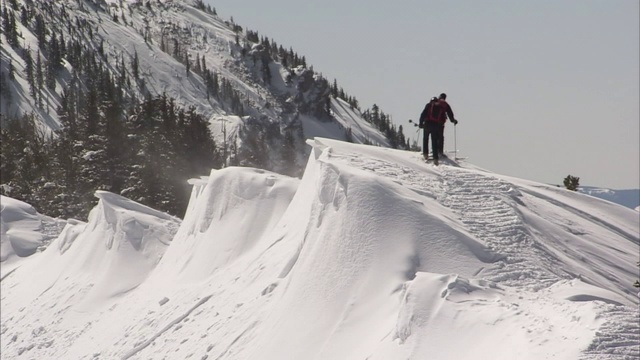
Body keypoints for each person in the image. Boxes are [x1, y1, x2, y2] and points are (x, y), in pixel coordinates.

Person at [418, 93, 458, 165]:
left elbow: (423, 114)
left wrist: (421, 123)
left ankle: (425, 154)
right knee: (437, 139)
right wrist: (453, 120)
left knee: (426, 138)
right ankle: (437, 155)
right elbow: (449, 113)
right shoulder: (443, 105)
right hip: (438, 124)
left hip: (427, 124)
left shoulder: (429, 105)